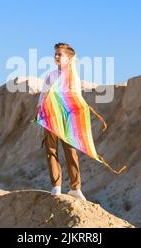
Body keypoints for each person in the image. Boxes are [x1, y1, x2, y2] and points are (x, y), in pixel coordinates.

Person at [36, 43, 86, 201]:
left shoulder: (74, 78)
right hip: (50, 117)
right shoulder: (51, 75)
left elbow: (76, 99)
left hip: (67, 118)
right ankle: (56, 186)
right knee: (51, 150)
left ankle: (75, 188)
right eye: (55, 54)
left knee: (71, 152)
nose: (56, 56)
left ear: (69, 58)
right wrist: (40, 112)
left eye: (60, 54)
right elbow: (42, 97)